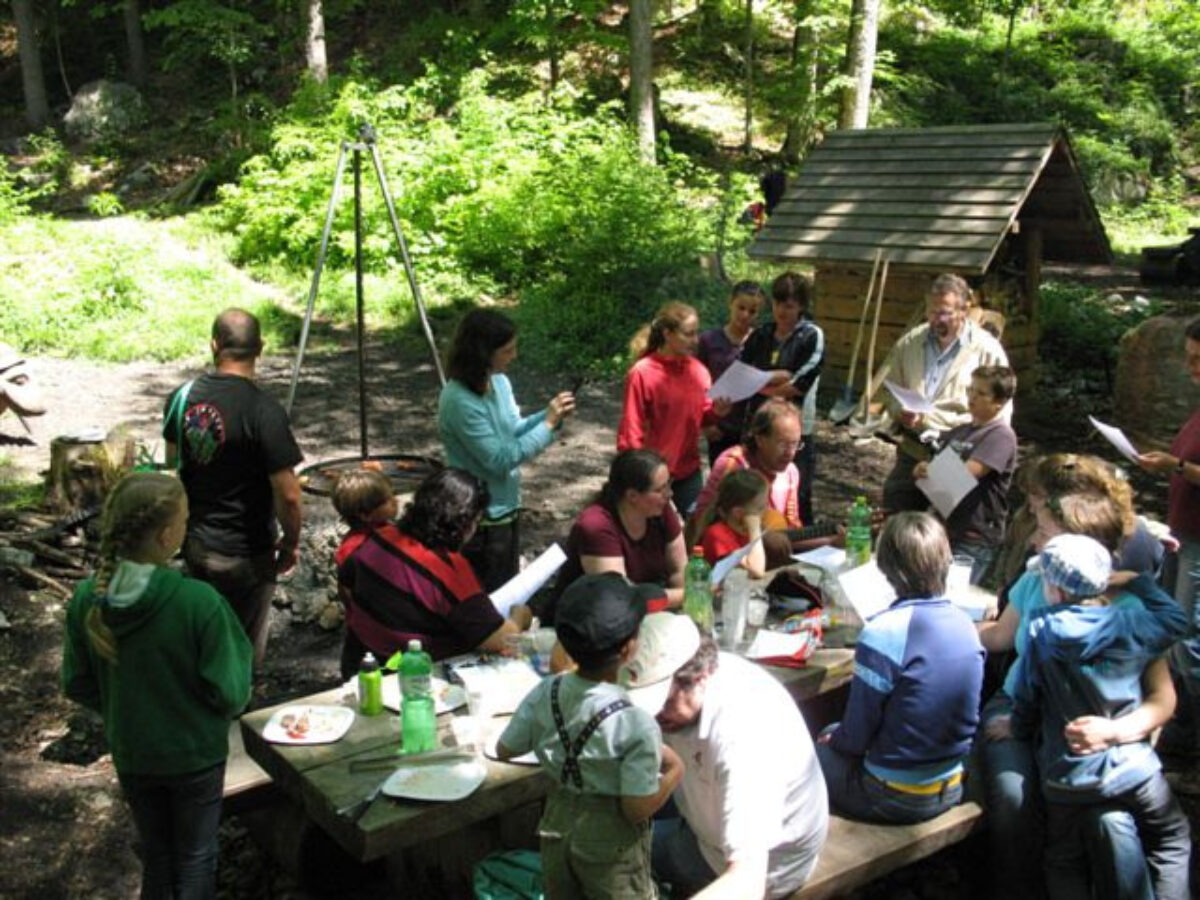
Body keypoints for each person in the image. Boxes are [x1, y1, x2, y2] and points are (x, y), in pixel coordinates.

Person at [977, 487, 1178, 900]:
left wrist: (1115, 731)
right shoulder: (1040, 579)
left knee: (1077, 836)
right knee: (1013, 797)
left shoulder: (1128, 611)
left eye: (1046, 532)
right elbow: (1000, 635)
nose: (1034, 539)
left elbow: (1162, 698)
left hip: (1089, 735)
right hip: (1025, 713)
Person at [61, 472, 253, 899]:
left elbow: (76, 682)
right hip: (194, 755)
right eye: (185, 520)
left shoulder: (86, 598)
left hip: (133, 752)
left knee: (158, 855)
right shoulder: (197, 602)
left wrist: (121, 707)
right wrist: (200, 713)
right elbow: (231, 692)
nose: (187, 526)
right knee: (196, 857)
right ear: (168, 535)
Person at [497, 574, 684, 899]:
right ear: (629, 649)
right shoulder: (635, 723)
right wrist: (675, 772)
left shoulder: (547, 690)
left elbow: (505, 749)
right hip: (611, 847)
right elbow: (636, 809)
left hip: (556, 828)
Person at [816, 512, 984, 824]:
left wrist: (834, 740)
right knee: (831, 735)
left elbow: (856, 733)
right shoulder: (965, 623)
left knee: (812, 750)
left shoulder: (885, 632)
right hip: (952, 784)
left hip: (892, 795)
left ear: (886, 568)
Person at [639, 623, 829, 898]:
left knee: (622, 859)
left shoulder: (743, 737)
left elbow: (748, 882)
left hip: (768, 868)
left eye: (663, 701)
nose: (653, 712)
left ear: (702, 677)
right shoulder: (691, 679)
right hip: (704, 828)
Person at [163, 308, 303, 667]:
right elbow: (288, 493)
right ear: (261, 348)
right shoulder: (263, 410)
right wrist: (290, 543)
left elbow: (173, 462)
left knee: (203, 640)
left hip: (197, 543)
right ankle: (236, 714)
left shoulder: (182, 397)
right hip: (247, 553)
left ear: (214, 345)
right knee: (241, 652)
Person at [334, 467, 531, 678]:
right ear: (466, 523)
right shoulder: (451, 572)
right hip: (415, 676)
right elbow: (500, 640)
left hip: (360, 661)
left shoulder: (379, 538)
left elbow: (347, 585)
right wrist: (519, 616)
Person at [438, 308, 575, 591]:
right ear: (482, 352)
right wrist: (548, 424)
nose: (514, 356)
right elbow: (501, 459)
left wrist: (550, 415)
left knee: (509, 589)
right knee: (489, 599)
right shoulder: (458, 400)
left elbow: (513, 429)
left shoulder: (497, 381)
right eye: (507, 350)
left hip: (507, 509)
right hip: (479, 519)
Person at [871, 274, 1009, 514]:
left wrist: (981, 462)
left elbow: (1002, 412)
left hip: (957, 455)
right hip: (913, 450)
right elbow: (890, 391)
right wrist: (899, 411)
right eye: (931, 312)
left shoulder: (986, 350)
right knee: (894, 521)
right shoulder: (911, 342)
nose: (936, 320)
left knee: (940, 529)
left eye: (944, 312)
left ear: (964, 310)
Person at [1135, 315, 1200, 788]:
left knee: (1190, 639)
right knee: (1170, 631)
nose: (1191, 366)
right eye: (1189, 357)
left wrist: (1176, 464)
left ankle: (1189, 739)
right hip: (1182, 532)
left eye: (1199, 359)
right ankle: (1175, 727)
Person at [547, 449, 688, 619]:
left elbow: (679, 570)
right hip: (592, 623)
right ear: (632, 496)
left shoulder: (659, 510)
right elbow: (621, 598)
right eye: (659, 490)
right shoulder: (596, 527)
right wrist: (687, 596)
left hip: (647, 611)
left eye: (669, 484)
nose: (669, 494)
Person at [618, 302, 730, 516]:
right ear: (667, 334)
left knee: (692, 533)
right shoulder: (642, 373)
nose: (695, 340)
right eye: (688, 334)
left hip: (688, 471)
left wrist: (717, 412)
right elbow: (631, 432)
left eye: (696, 333)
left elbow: (703, 417)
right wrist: (637, 478)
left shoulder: (698, 371)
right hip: (650, 476)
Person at [911, 365, 1018, 584]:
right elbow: (933, 475)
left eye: (981, 393)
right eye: (971, 389)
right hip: (945, 528)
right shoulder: (961, 432)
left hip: (974, 536)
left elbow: (963, 476)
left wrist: (932, 472)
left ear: (1000, 402)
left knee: (954, 598)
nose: (972, 396)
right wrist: (921, 470)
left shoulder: (1000, 436)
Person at [737, 272, 824, 524]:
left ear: (801, 307)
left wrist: (761, 384)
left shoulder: (810, 335)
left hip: (794, 433)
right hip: (759, 428)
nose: (781, 311)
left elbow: (799, 385)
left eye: (788, 306)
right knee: (751, 493)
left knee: (797, 498)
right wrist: (777, 376)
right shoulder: (762, 334)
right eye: (776, 304)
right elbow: (741, 374)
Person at [696, 281, 766, 464]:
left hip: (754, 431)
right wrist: (707, 424)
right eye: (741, 307)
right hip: (720, 429)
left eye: (752, 311)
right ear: (731, 303)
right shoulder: (708, 341)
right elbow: (695, 385)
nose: (745, 315)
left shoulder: (763, 343)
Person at [695, 469, 768, 578]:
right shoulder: (717, 534)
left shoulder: (744, 532)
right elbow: (756, 570)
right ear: (738, 513)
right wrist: (755, 529)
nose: (766, 511)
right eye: (760, 508)